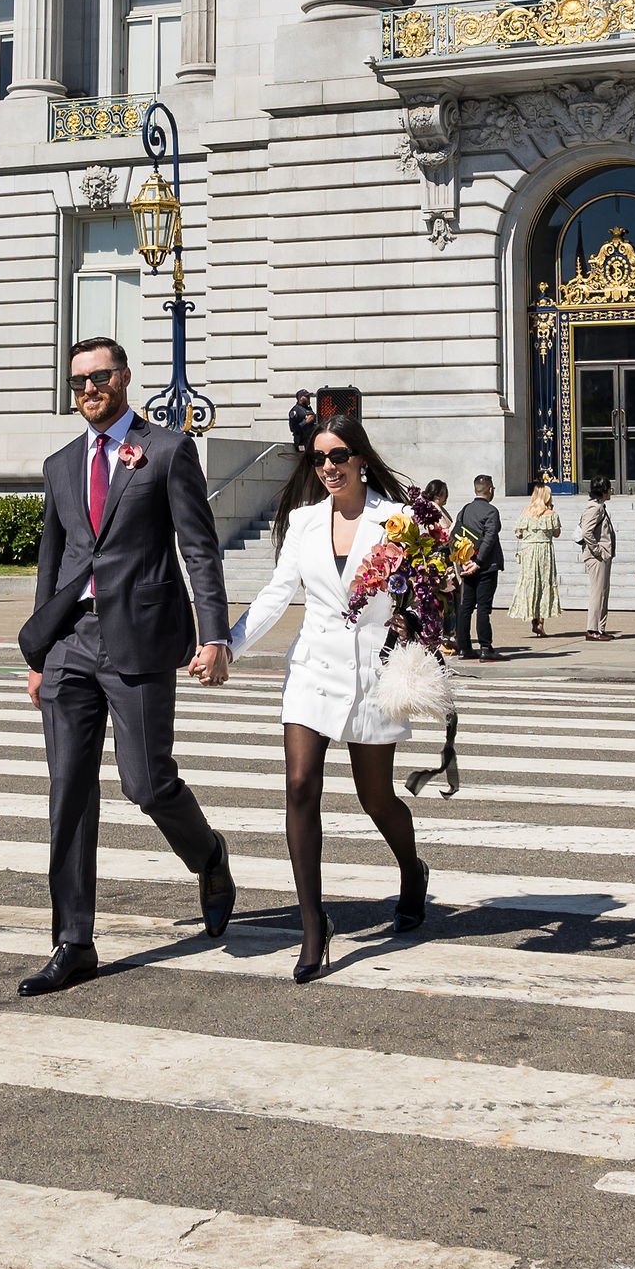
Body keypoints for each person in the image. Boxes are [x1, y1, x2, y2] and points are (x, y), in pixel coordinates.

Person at [17, 337, 236, 996]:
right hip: (70, 647)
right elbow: (52, 566)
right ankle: (72, 941)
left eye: (101, 376)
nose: (90, 388)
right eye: (79, 379)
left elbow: (199, 549)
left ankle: (209, 856)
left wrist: (215, 635)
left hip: (139, 639)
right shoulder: (60, 465)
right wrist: (37, 653)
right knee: (69, 794)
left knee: (147, 783)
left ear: (124, 378)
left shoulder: (167, 451)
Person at [229, 415, 428, 983]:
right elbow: (276, 594)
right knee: (298, 785)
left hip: (373, 675)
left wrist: (442, 585)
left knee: (376, 800)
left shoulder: (399, 520)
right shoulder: (303, 521)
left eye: (339, 455)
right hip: (313, 670)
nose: (329, 467)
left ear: (361, 457)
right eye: (319, 458)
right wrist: (228, 647)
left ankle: (412, 872)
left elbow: (421, 592)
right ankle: (313, 926)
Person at [452, 474, 506, 662]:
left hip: (467, 566)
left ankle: (464, 647)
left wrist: (464, 562)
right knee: (483, 608)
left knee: (466, 607)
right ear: (490, 489)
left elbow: (456, 536)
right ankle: (485, 647)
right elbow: (490, 537)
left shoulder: (465, 510)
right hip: (486, 566)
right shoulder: (491, 511)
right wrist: (478, 562)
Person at [508, 483, 562, 636]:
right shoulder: (551, 513)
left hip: (529, 551)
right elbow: (557, 533)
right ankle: (540, 622)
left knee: (530, 581)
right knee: (544, 583)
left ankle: (532, 615)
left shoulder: (525, 512)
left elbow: (518, 533)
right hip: (544, 550)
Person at [578, 476, 616, 642]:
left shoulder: (600, 507)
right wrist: (598, 550)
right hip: (597, 557)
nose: (611, 491)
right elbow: (586, 532)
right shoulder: (594, 509)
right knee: (597, 593)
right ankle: (592, 629)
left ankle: (600, 628)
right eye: (608, 488)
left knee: (603, 592)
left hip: (603, 555)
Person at [423, 479, 455, 650]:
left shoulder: (437, 508)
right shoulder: (432, 509)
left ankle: (444, 634)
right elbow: (440, 533)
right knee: (444, 597)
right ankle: (443, 635)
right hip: (438, 557)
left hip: (443, 556)